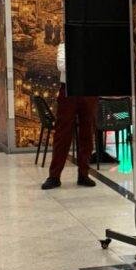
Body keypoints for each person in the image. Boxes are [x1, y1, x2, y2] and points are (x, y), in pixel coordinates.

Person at [41, 42, 98, 190]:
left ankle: (84, 174)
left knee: (87, 133)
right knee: (62, 134)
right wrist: (85, 63)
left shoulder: (92, 45)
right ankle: (54, 176)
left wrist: (78, 63)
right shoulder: (64, 45)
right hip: (68, 90)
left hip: (89, 89)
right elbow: (62, 65)